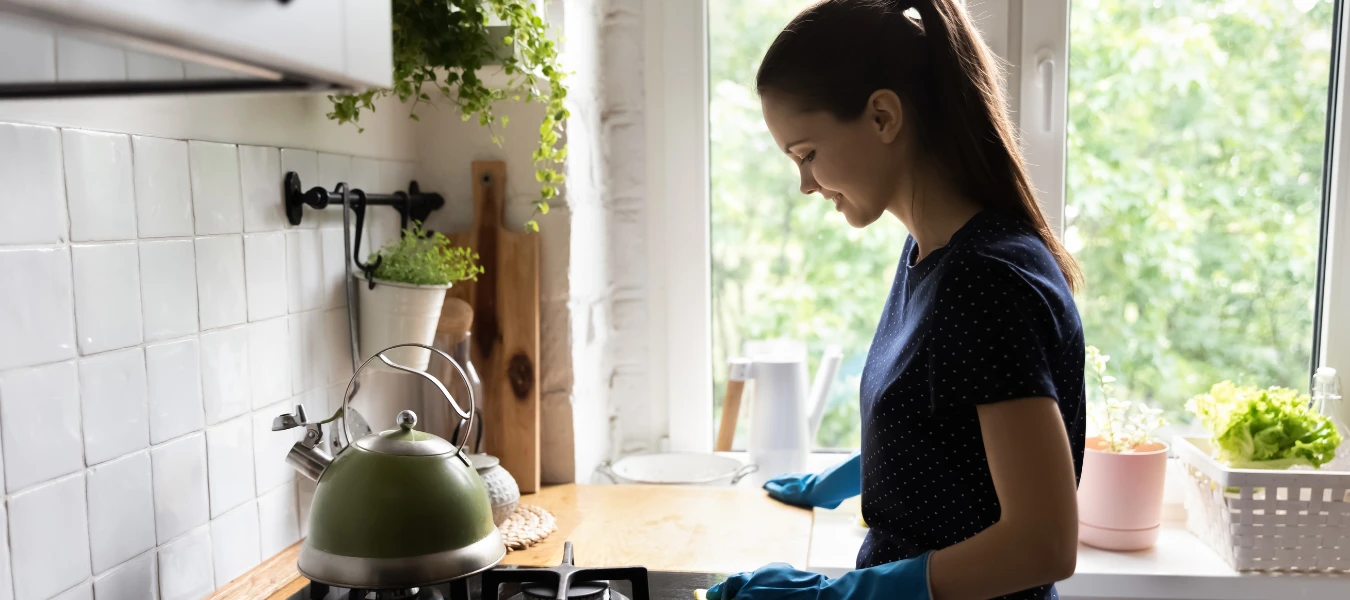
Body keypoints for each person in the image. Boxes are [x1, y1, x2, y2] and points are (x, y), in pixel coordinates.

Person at [706, 1, 1086, 599]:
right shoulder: (929, 255)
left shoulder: (986, 279)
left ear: (883, 116)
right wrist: (853, 473)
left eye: (806, 154)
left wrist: (837, 598)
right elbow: (955, 438)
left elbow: (1043, 544)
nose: (805, 184)